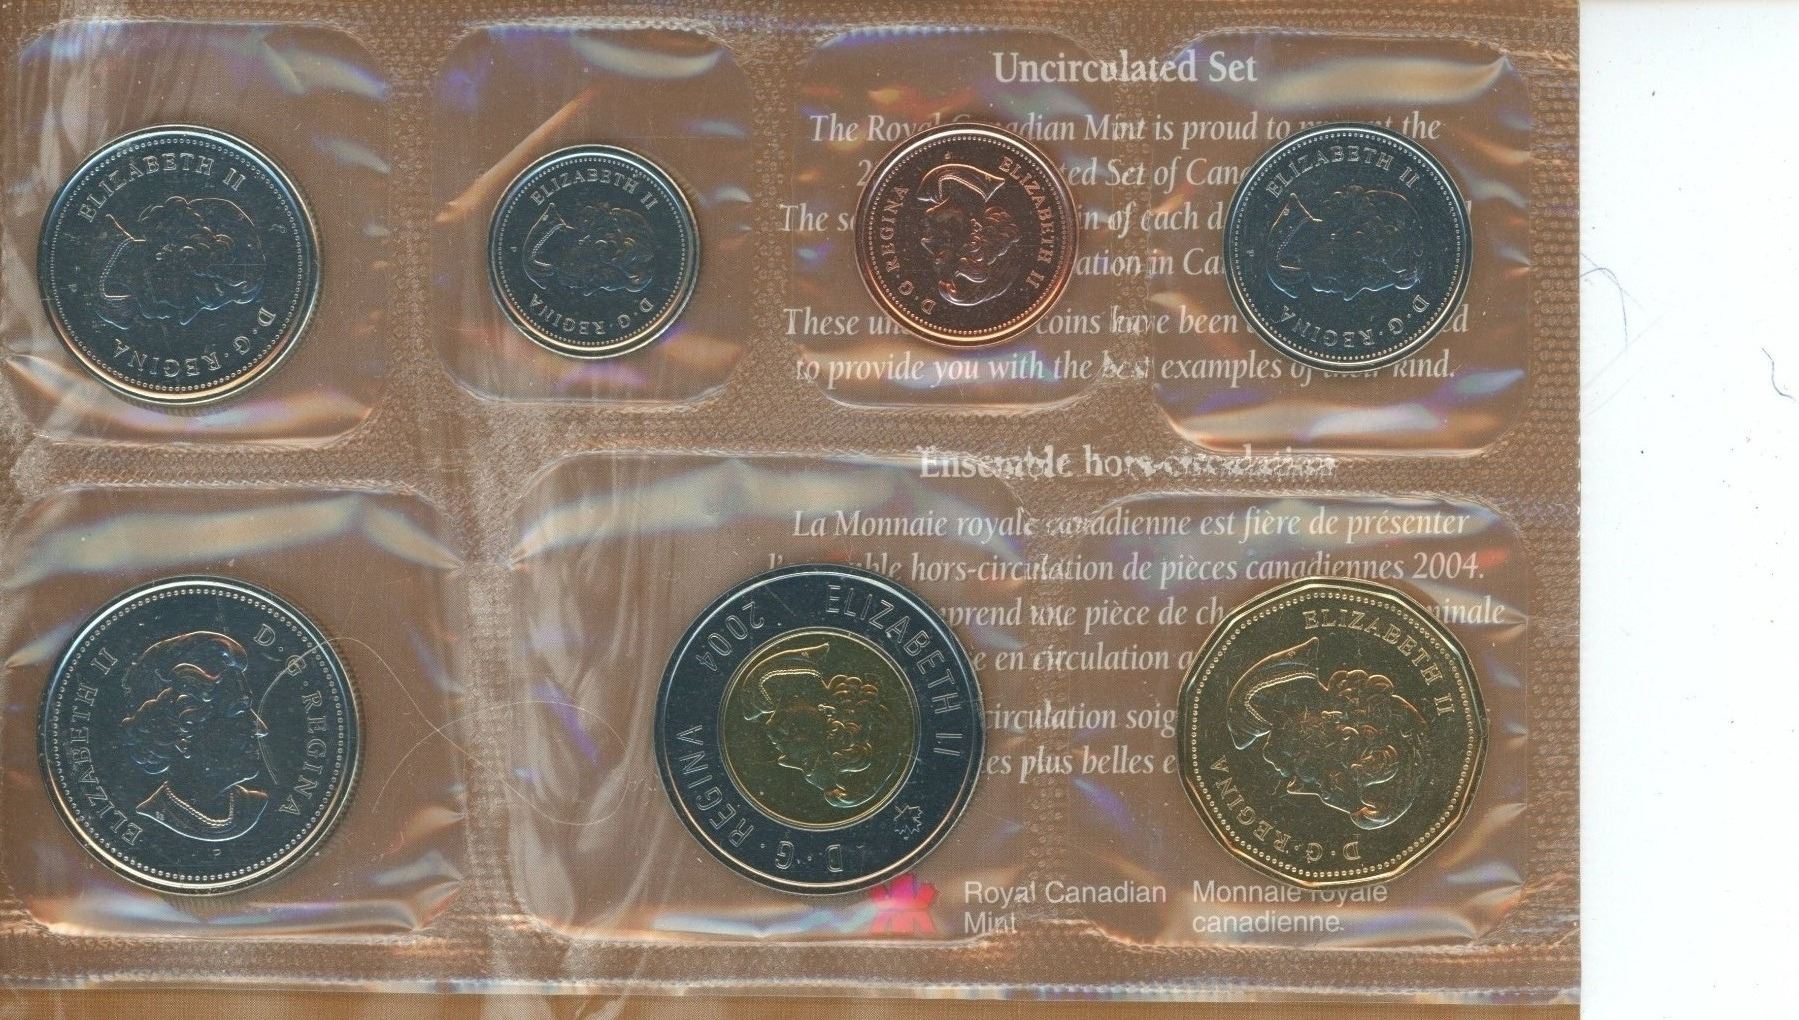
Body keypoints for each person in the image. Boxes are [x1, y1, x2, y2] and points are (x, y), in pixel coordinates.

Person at [120, 631, 272, 842]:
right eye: (238, 712)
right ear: (182, 737)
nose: (261, 729)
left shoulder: (255, 806)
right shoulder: (153, 815)